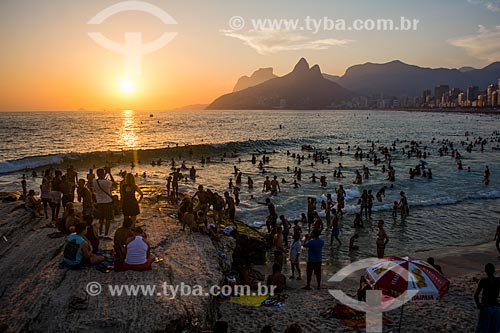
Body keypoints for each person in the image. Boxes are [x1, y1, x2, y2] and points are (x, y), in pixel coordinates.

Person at [474, 263, 500, 333]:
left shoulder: (483, 281)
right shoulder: (498, 280)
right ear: (494, 271)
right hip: (496, 308)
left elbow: (476, 295)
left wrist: (478, 305)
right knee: (494, 330)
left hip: (486, 307)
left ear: (485, 271)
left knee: (483, 329)